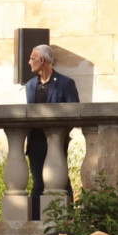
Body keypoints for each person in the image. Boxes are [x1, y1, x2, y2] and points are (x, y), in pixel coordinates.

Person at [24, 44, 79, 221]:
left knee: (61, 181)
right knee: (38, 182)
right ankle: (36, 222)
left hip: (56, 142)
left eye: (32, 58)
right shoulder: (31, 85)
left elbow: (75, 113)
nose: (29, 62)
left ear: (42, 60)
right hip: (36, 142)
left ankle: (68, 219)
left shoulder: (66, 83)